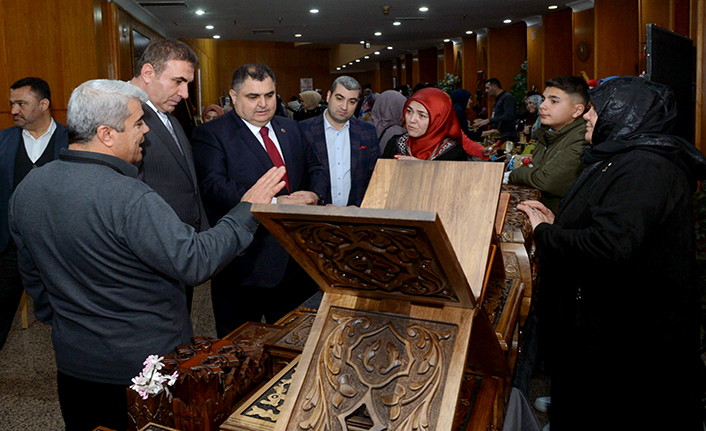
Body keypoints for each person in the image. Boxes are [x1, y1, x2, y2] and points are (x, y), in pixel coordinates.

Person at [9, 79, 286, 431]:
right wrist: (247, 210)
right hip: (145, 372)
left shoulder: (28, 189)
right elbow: (195, 259)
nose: (146, 132)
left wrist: (71, 322)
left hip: (74, 367)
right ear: (107, 134)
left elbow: (33, 278)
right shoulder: (130, 197)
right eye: (139, 123)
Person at [518, 76, 706, 430]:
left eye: (595, 110)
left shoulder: (645, 168)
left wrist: (545, 234)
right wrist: (559, 223)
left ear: (626, 117)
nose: (587, 117)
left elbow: (609, 246)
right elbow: (610, 224)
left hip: (631, 336)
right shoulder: (621, 157)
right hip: (612, 324)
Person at [191, 63, 328, 338]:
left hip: (297, 263)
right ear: (233, 96)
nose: (264, 104)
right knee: (242, 352)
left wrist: (315, 195)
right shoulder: (212, 134)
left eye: (269, 95)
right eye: (253, 97)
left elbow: (316, 168)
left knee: (295, 344)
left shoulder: (291, 128)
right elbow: (214, 186)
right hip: (245, 268)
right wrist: (276, 204)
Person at [128, 39, 209, 313]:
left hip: (178, 252)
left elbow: (187, 184)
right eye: (178, 81)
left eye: (187, 83)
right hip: (149, 261)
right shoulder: (123, 115)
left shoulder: (167, 114)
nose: (185, 93)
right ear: (148, 73)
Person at [0, 77, 68, 351]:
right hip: (9, 249)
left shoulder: (73, 140)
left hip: (61, 248)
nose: (14, 110)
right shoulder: (2, 141)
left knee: (68, 318)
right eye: (12, 104)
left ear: (43, 104)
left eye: (21, 103)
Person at [508, 76, 590, 213]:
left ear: (577, 110)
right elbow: (538, 171)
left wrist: (514, 174)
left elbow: (546, 181)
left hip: (564, 222)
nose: (542, 105)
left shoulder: (583, 138)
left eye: (554, 101)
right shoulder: (547, 134)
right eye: (544, 99)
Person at [299, 76, 380, 207]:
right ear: (328, 96)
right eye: (339, 98)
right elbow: (299, 176)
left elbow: (375, 176)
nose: (344, 106)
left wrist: (360, 206)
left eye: (352, 101)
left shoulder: (367, 132)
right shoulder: (303, 130)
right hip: (315, 216)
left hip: (356, 215)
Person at [381, 87, 490, 161]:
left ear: (437, 121)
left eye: (422, 115)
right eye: (409, 111)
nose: (412, 119)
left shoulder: (453, 152)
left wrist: (423, 168)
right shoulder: (395, 144)